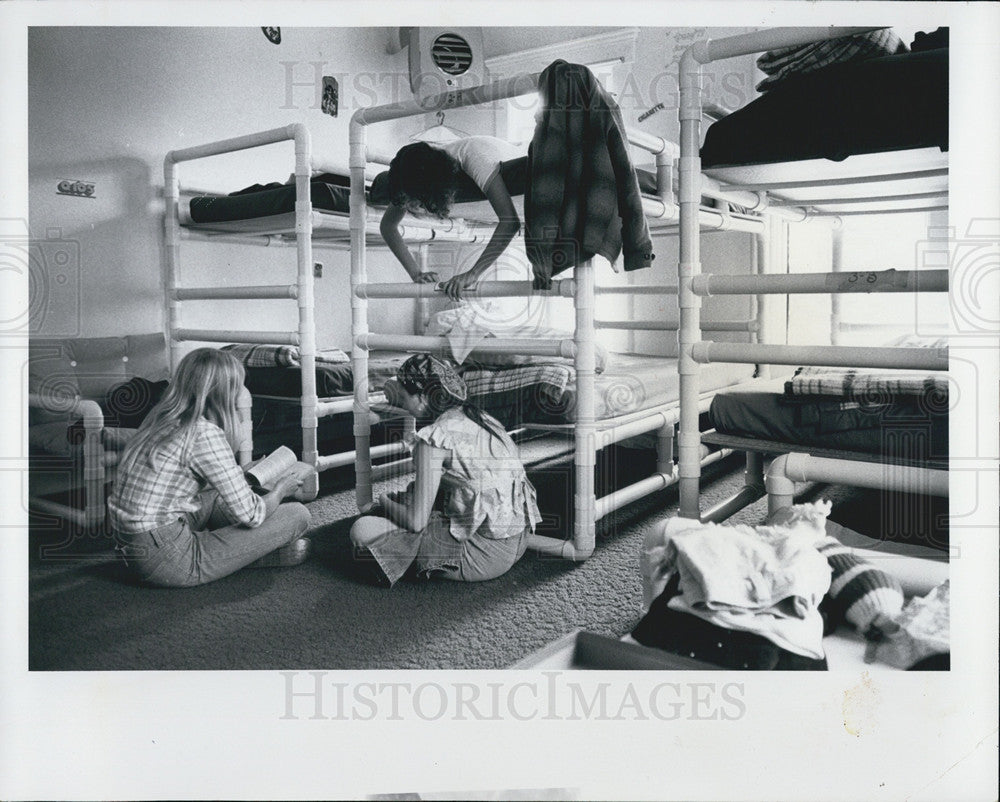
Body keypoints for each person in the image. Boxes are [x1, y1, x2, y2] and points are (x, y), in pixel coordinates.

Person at [107, 348, 312, 587]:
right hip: (164, 558)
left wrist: (242, 475)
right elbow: (252, 515)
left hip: (130, 548)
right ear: (225, 394)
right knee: (298, 515)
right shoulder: (204, 432)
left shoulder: (161, 418)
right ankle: (248, 555)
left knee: (217, 495)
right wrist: (280, 489)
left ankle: (237, 551)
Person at [351, 354, 542, 586]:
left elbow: (415, 522)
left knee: (362, 530)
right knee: (413, 499)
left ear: (422, 398)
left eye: (403, 397)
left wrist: (384, 502)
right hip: (518, 541)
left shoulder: (434, 440)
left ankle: (397, 555)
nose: (401, 404)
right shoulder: (481, 418)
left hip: (484, 555)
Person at [379, 136, 524, 301]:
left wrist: (473, 273)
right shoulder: (410, 175)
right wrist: (416, 273)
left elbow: (510, 222)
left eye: (416, 201)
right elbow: (388, 226)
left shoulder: (474, 155)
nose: (412, 207)